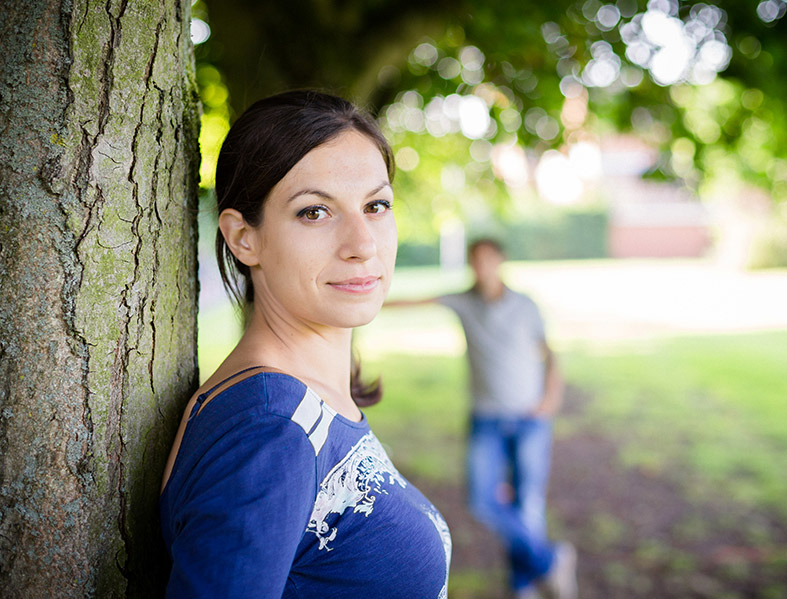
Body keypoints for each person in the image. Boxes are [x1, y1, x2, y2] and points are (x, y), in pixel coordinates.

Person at [159, 90, 451, 598]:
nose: (363, 244)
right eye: (315, 212)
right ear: (243, 238)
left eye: (376, 205)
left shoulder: (310, 398)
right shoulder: (269, 434)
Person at [387, 238, 576, 599]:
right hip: (486, 419)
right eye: (475, 261)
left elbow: (549, 354)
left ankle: (522, 585)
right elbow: (414, 302)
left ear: (501, 261)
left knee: (527, 504)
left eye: (488, 260)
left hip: (530, 418)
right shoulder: (463, 302)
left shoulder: (525, 306)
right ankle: (551, 559)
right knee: (482, 500)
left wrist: (551, 398)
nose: (481, 267)